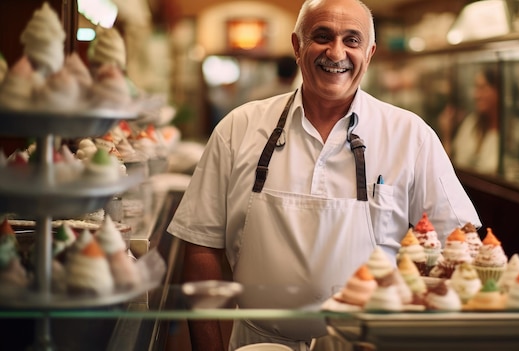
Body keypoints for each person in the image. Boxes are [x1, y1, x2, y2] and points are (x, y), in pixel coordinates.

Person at [167, 0, 481, 350]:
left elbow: (460, 242)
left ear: (370, 52)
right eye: (322, 36)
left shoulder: (411, 136)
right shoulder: (237, 128)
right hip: (259, 342)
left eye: (352, 40)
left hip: (369, 342)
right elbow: (200, 247)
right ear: (297, 46)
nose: (336, 52)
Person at [448, 66, 500, 173]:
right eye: (476, 88)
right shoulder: (471, 123)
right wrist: (447, 133)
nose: (476, 95)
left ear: (498, 92)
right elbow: (451, 162)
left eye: (483, 88)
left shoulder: (514, 131)